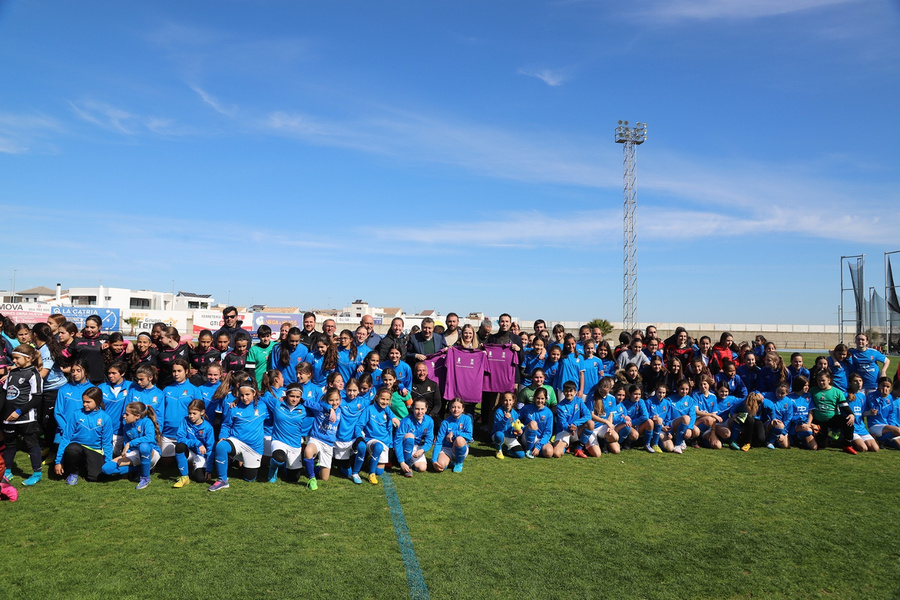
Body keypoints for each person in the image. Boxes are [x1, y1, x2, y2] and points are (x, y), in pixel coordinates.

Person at [209, 378, 268, 491]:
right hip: (237, 441)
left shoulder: (263, 405)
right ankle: (222, 480)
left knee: (249, 478)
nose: (244, 398)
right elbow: (226, 425)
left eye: (247, 394)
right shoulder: (234, 407)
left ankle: (243, 465)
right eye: (241, 395)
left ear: (254, 393)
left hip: (254, 448)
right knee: (221, 446)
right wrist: (222, 437)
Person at [54, 386, 113, 484]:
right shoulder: (76, 414)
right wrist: (58, 461)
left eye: (88, 402)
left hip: (94, 450)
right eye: (83, 401)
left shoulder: (105, 418)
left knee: (96, 477)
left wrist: (108, 463)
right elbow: (66, 438)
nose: (84, 404)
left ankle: (85, 466)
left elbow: (107, 443)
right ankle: (73, 473)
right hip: (76, 447)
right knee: (72, 449)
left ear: (97, 401)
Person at [3, 345, 44, 485]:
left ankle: (37, 473)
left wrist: (19, 411)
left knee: (31, 444)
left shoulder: (33, 374)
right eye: (13, 358)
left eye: (16, 358)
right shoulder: (12, 373)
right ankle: (7, 471)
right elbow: (5, 394)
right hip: (9, 417)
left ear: (28, 358)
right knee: (9, 445)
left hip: (26, 417)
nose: (14, 361)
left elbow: (37, 398)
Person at [101, 401, 162, 489]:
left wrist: (130, 443)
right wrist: (126, 454)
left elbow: (149, 438)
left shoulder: (146, 422)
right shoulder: (127, 426)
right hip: (135, 453)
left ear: (137, 416)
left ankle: (145, 478)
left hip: (151, 453)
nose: (124, 416)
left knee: (143, 446)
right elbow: (127, 444)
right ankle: (141, 469)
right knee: (106, 468)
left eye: (127, 414)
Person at [352, 388, 398, 485]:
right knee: (378, 447)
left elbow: (390, 430)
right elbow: (359, 425)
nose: (384, 402)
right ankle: (371, 474)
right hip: (371, 440)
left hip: (385, 442)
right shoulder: (369, 409)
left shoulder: (388, 411)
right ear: (376, 397)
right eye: (382, 399)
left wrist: (390, 446)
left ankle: (369, 461)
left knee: (380, 472)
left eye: (387, 400)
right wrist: (359, 437)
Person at [31, 322, 66, 449]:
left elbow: (43, 373)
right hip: (45, 389)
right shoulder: (39, 348)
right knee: (41, 419)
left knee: (48, 420)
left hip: (54, 390)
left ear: (34, 334)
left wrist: (24, 381)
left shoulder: (46, 350)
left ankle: (53, 448)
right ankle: (47, 444)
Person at [302, 387, 343, 490]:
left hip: (328, 444)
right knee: (308, 451)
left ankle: (315, 466)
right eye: (331, 400)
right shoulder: (320, 408)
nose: (334, 402)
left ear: (340, 400)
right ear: (326, 400)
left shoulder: (340, 410)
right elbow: (306, 402)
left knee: (324, 478)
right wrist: (329, 408)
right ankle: (311, 478)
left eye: (337, 400)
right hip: (316, 439)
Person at [267, 383, 308, 483]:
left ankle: (284, 466)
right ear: (286, 395)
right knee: (279, 458)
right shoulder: (277, 404)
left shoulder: (304, 408)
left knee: (294, 479)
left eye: (297, 397)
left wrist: (330, 409)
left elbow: (320, 407)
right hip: (279, 441)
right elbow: (261, 396)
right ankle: (273, 469)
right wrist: (236, 400)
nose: (294, 399)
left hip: (295, 444)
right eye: (292, 396)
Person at [161, 359, 201, 458]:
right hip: (168, 433)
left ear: (186, 371)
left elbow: (199, 414)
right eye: (174, 371)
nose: (176, 374)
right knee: (166, 465)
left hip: (186, 433)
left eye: (179, 371)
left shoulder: (194, 390)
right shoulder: (166, 390)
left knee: (187, 460)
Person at [810, 370, 855, 454]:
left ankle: (847, 445)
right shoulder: (812, 391)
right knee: (822, 445)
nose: (821, 382)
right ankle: (831, 438)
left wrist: (851, 414)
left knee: (848, 421)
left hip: (832, 419)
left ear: (829, 380)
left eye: (823, 380)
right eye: (819, 380)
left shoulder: (837, 392)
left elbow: (844, 406)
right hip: (818, 422)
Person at [173, 399, 214, 487]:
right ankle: (184, 477)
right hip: (189, 451)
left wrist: (209, 469)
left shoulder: (208, 427)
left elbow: (210, 449)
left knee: (201, 479)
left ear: (202, 412)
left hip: (200, 455)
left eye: (194, 413)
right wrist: (197, 443)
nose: (191, 416)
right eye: (189, 413)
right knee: (180, 446)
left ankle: (193, 468)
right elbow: (180, 438)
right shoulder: (184, 421)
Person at [393, 398, 435, 477]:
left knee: (422, 468)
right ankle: (406, 464)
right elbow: (397, 441)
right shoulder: (405, 421)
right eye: (417, 409)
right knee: (410, 436)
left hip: (417, 447)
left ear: (426, 409)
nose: (420, 412)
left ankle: (411, 463)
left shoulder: (429, 421)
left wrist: (422, 450)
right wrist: (401, 461)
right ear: (412, 408)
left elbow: (429, 440)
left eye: (422, 409)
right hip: (404, 447)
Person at [551, 381, 594, 458]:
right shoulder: (560, 406)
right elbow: (562, 423)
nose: (568, 393)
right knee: (557, 454)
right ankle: (567, 446)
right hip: (564, 431)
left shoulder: (579, 401)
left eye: (571, 391)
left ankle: (579, 449)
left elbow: (588, 415)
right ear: (563, 392)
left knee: (590, 423)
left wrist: (575, 424)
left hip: (576, 430)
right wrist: (569, 428)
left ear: (575, 392)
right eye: (566, 391)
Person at [433, 398, 474, 473]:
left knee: (459, 439)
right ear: (450, 409)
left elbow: (469, 436)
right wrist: (434, 460)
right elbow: (439, 442)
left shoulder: (467, 419)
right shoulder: (445, 422)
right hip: (447, 448)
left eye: (459, 407)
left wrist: (454, 433)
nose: (456, 410)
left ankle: (459, 463)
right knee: (439, 466)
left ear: (463, 409)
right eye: (453, 407)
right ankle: (451, 462)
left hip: (460, 447)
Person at [71, 314, 108, 384]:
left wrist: (129, 344)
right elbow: (67, 353)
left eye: (92, 327)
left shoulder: (106, 338)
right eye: (87, 327)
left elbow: (120, 342)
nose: (89, 329)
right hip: (81, 379)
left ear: (99, 327)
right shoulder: (78, 338)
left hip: (99, 379)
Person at [865, 377, 900, 449]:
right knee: (897, 430)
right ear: (878, 385)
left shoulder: (890, 397)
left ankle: (883, 441)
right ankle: (879, 438)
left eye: (888, 386)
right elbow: (876, 411)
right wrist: (882, 398)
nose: (885, 388)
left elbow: (891, 414)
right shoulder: (871, 396)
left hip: (887, 426)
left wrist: (892, 426)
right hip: (875, 425)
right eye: (883, 385)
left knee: (895, 434)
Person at [520, 388, 554, 458]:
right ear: (534, 398)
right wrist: (521, 428)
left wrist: (538, 446)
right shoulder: (527, 408)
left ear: (545, 399)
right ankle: (528, 449)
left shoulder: (549, 412)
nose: (540, 401)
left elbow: (548, 432)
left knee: (549, 453)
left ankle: (535, 450)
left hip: (540, 439)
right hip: (527, 436)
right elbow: (516, 418)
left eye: (542, 398)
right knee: (533, 424)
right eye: (538, 398)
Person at [492, 391, 524, 459]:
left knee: (521, 455)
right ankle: (498, 449)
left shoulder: (515, 413)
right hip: (499, 435)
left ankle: (506, 449)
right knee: (499, 435)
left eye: (510, 400)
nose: (508, 402)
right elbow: (498, 428)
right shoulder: (498, 412)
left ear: (513, 401)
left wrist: (518, 432)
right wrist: (505, 419)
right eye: (505, 400)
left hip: (510, 437)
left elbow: (515, 426)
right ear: (502, 401)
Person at [410, 361, 443, 425]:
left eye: (423, 370)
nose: (422, 373)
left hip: (430, 415)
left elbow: (438, 404)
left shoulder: (433, 385)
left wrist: (430, 415)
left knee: (439, 424)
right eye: (419, 370)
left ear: (427, 372)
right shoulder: (410, 385)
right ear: (415, 372)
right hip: (414, 414)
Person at [247, 325, 275, 390]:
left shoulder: (275, 346)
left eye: (268, 336)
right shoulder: (253, 350)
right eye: (263, 337)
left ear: (270, 336)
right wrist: (254, 384)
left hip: (272, 385)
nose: (266, 339)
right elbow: (250, 370)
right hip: (258, 384)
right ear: (259, 337)